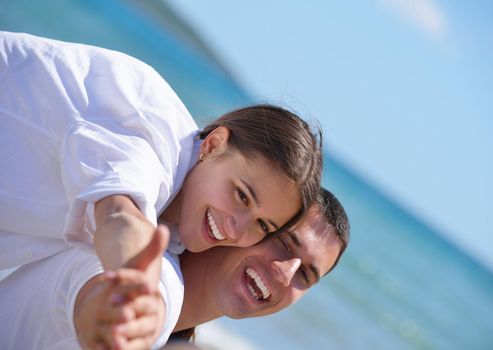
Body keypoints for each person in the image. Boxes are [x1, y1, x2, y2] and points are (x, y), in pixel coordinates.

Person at [0, 31, 322, 288]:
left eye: (262, 225)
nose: (237, 229)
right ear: (214, 144)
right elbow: (118, 211)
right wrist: (132, 272)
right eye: (241, 195)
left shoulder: (180, 222)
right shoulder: (154, 135)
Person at [0, 188, 349, 349]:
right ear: (249, 226)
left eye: (305, 275)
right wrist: (115, 318)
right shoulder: (148, 268)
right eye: (285, 243)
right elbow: (100, 294)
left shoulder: (177, 327)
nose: (286, 273)